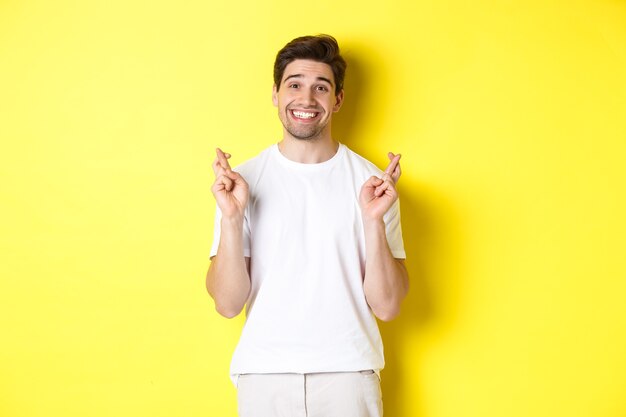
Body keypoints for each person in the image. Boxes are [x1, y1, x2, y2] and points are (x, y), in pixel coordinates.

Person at [206, 34, 409, 417]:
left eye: (321, 87)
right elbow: (227, 303)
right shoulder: (242, 182)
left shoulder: (372, 185)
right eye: (294, 85)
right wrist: (231, 218)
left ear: (338, 99)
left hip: (349, 375)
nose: (306, 99)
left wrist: (373, 221)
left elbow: (387, 305)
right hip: (264, 376)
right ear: (275, 94)